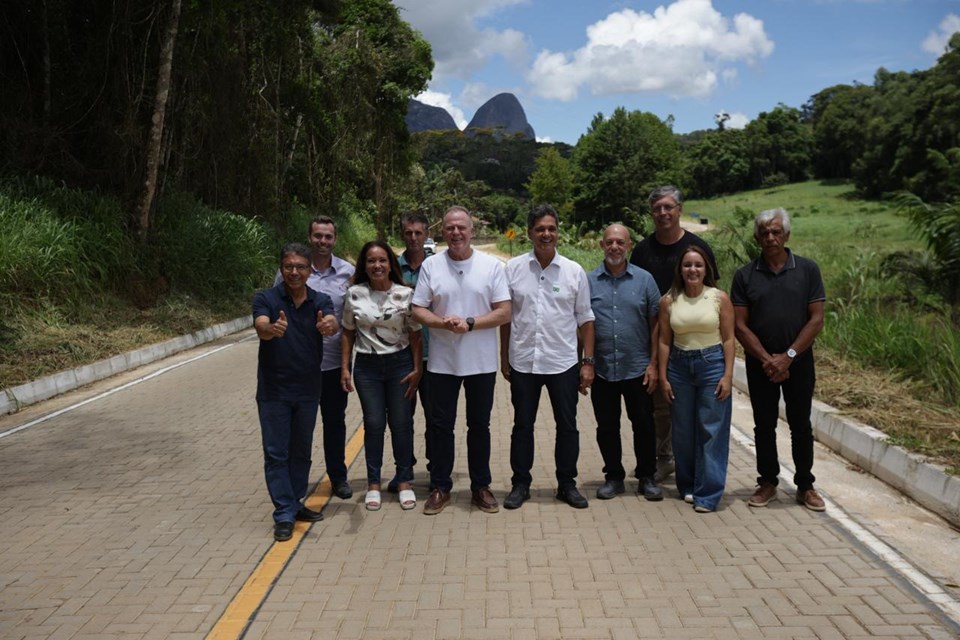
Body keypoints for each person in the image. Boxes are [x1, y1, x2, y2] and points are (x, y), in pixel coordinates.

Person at [411, 206, 512, 515]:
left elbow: (504, 310)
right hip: (442, 362)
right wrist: (442, 323)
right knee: (440, 426)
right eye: (450, 228)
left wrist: (470, 323)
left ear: (471, 231)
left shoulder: (492, 266)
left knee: (479, 425)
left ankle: (481, 486)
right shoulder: (431, 265)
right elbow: (418, 308)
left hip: (481, 363)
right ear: (443, 231)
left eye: (461, 228)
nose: (456, 233)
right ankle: (440, 486)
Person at [731, 208, 827, 512]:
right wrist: (767, 360)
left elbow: (816, 319)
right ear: (757, 237)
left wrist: (787, 357)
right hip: (760, 364)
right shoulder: (745, 275)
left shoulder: (808, 270)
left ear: (786, 235)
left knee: (800, 424)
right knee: (764, 424)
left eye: (776, 232)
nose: (770, 237)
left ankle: (805, 485)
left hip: (798, 362)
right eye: (764, 233)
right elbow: (739, 325)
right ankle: (768, 481)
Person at [501, 204, 595, 510]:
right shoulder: (513, 269)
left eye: (551, 228)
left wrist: (587, 362)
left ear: (558, 231)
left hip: (562, 362)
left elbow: (586, 319)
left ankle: (566, 484)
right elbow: (506, 318)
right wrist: (504, 357)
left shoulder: (573, 271)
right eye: (540, 228)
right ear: (529, 232)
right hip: (524, 361)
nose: (546, 234)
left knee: (567, 426)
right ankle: (520, 484)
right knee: (522, 425)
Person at [630, 186, 719, 484]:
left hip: (696, 343)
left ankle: (696, 465)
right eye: (657, 208)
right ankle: (664, 458)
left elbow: (714, 296)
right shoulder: (642, 251)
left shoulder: (697, 248)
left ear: (680, 209)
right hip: (655, 339)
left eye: (668, 207)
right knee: (660, 406)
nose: (663, 213)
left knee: (694, 408)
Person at [253, 242, 340, 541]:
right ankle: (284, 513)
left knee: (301, 452)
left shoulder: (320, 300)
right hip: (274, 391)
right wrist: (270, 330)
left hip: (307, 390)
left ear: (308, 271)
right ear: (281, 268)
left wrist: (329, 325)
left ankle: (294, 502)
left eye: (300, 267)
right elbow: (261, 324)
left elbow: (331, 320)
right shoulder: (266, 298)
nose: (294, 272)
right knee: (277, 453)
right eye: (289, 266)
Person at [275, 216, 355, 500]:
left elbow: (351, 322)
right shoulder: (292, 271)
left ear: (335, 239)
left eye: (328, 237)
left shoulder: (348, 272)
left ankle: (338, 477)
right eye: (318, 236)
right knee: (299, 429)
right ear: (310, 237)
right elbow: (277, 311)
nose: (323, 241)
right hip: (300, 368)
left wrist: (347, 365)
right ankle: (296, 484)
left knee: (335, 423)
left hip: (334, 364)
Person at [340, 241, 423, 511]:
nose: (377, 266)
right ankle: (373, 484)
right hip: (367, 367)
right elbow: (348, 332)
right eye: (371, 261)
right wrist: (345, 368)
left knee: (401, 422)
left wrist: (416, 368)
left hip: (400, 364)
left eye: (382, 260)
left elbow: (415, 333)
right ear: (364, 265)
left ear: (391, 264)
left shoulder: (406, 294)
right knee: (374, 423)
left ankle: (404, 482)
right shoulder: (353, 294)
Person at [588, 224, 664, 501]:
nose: (614, 247)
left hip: (638, 367)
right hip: (604, 368)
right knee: (606, 426)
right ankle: (614, 477)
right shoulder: (589, 281)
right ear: (601, 245)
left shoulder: (645, 280)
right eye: (609, 242)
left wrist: (654, 363)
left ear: (629, 245)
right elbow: (582, 325)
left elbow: (656, 325)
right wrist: (585, 363)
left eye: (620, 242)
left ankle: (647, 476)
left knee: (644, 424)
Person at [657, 245, 735, 513]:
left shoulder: (719, 298)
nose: (693, 270)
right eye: (687, 265)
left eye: (698, 265)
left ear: (706, 270)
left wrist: (727, 375)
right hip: (679, 367)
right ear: (680, 269)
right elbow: (664, 341)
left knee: (711, 430)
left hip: (711, 364)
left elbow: (728, 339)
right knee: (682, 430)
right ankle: (688, 486)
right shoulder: (668, 300)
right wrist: (664, 376)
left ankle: (708, 494)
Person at [386, 212, 435, 493]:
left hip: (435, 356)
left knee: (435, 418)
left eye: (419, 233)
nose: (414, 238)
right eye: (408, 233)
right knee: (401, 418)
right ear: (402, 234)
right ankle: (403, 469)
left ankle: (435, 468)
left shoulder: (438, 267)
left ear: (426, 234)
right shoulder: (393, 268)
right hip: (401, 356)